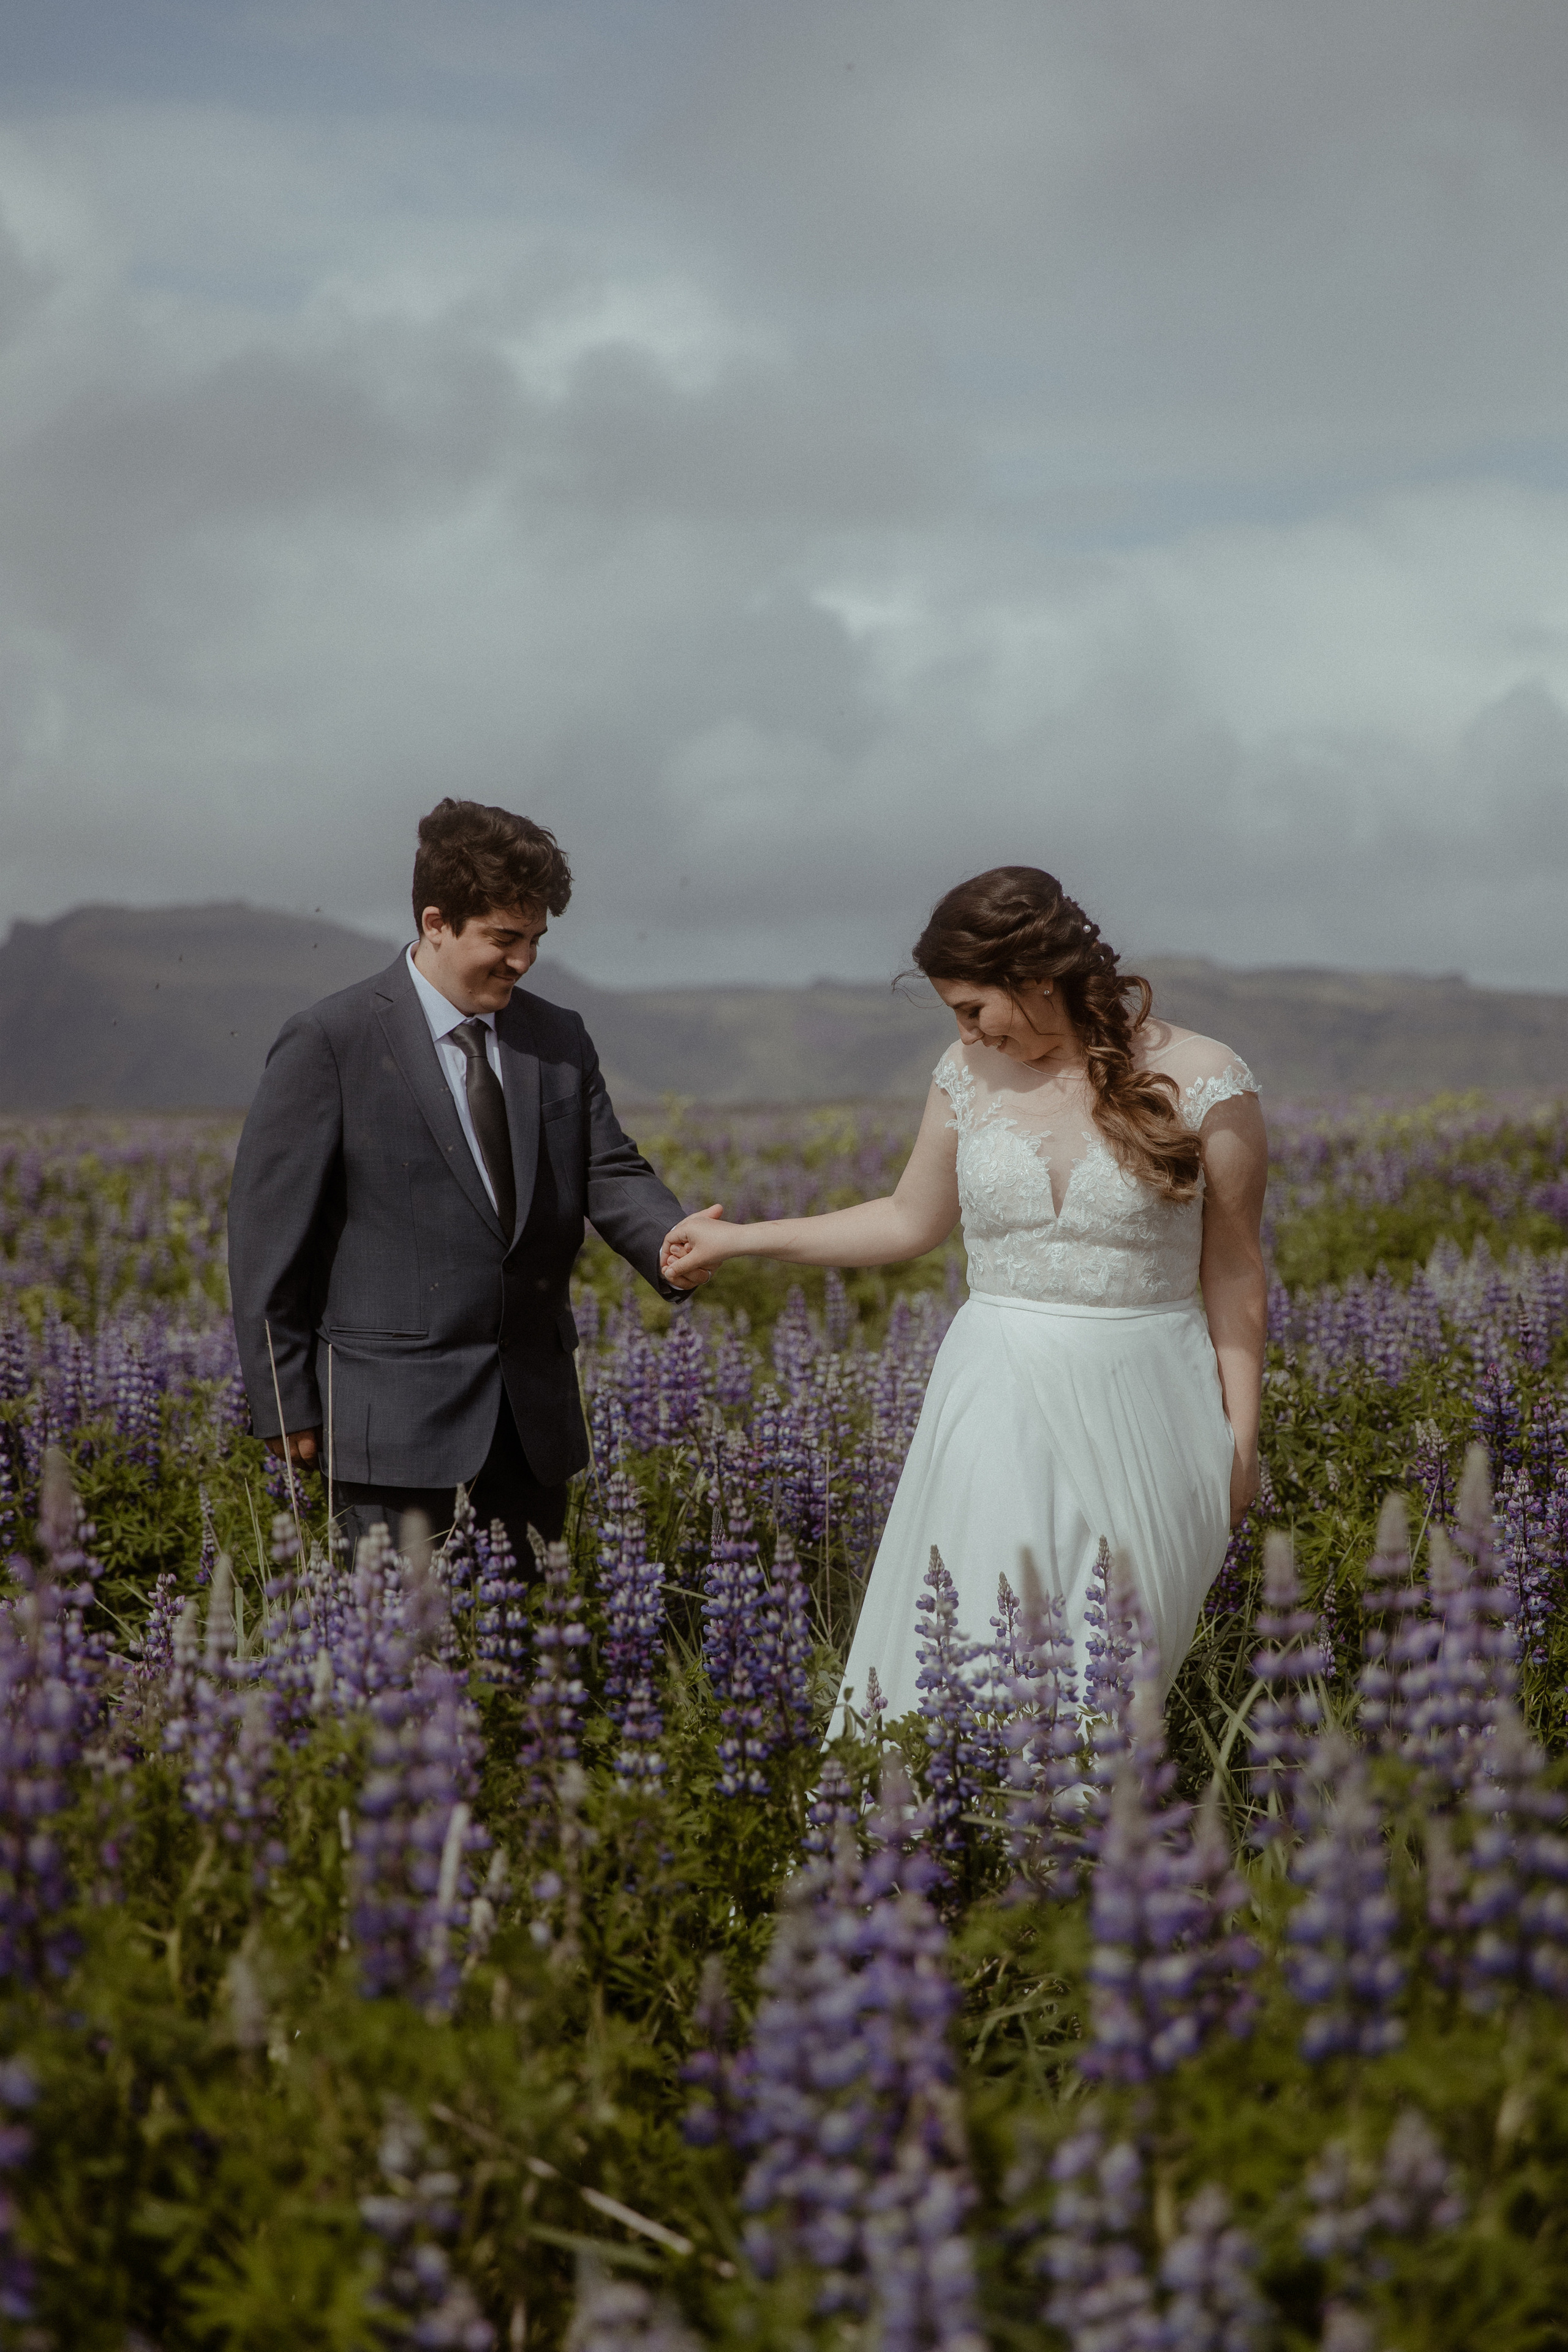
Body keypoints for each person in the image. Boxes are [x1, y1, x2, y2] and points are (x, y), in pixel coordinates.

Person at [660, 865, 1267, 1717]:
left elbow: (1235, 1270)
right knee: (971, 1648)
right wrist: (744, 1239)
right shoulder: (966, 1072)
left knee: (1116, 1685)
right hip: (995, 1395)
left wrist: (1240, 1445)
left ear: (1034, 978)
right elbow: (909, 1220)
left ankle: (1097, 1849)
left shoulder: (1206, 1077)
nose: (968, 1033)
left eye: (972, 1007)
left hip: (1152, 1404)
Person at [228, 798, 695, 1566]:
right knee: (395, 1659)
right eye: (504, 939)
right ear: (436, 922)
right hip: (391, 1420)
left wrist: (672, 1244)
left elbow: (605, 1166)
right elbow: (266, 1237)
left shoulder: (557, 1036)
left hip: (530, 1416)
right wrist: (285, 1401)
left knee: (522, 1671)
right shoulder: (331, 1040)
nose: (523, 962)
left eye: (536, 940)